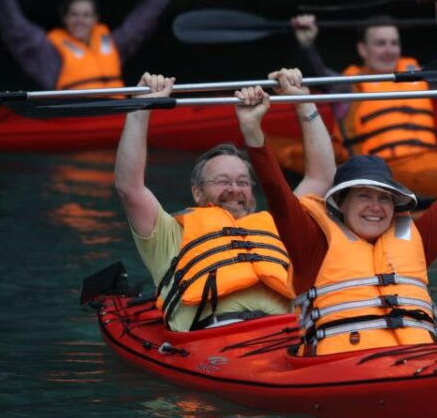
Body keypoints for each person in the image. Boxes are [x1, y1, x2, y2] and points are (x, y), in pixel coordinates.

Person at [234, 69, 437, 356]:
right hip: (338, 367)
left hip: (418, 361)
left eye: (384, 198)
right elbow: (278, 196)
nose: (376, 206)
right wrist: (253, 131)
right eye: (364, 196)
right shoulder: (311, 245)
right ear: (342, 204)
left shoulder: (417, 240)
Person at [114, 70, 336, 332]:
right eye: (222, 181)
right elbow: (130, 187)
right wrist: (141, 109)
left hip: (285, 333)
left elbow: (322, 177)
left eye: (242, 182)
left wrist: (303, 101)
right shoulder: (170, 233)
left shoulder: (281, 225)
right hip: (216, 336)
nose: (234, 189)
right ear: (197, 192)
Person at [290, 0, 437, 160]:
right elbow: (318, 75)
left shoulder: (416, 75)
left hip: (425, 172)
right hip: (379, 175)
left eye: (394, 43)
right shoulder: (348, 85)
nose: (389, 50)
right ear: (363, 49)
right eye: (380, 43)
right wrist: (307, 45)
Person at [0, 0, 181, 90]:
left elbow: (143, 19)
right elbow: (15, 26)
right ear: (64, 18)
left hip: (114, 112)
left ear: (95, 19)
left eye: (86, 15)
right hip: (76, 114)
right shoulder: (48, 49)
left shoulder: (111, 43)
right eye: (74, 14)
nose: (80, 20)